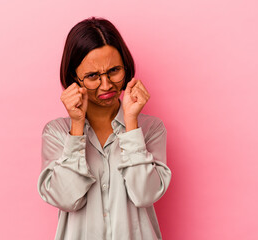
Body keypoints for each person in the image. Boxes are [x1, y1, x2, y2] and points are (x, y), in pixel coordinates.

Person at [37, 17, 172, 240]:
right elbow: (66, 198)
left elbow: (144, 195)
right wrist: (77, 126)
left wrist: (131, 125)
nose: (107, 85)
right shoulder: (57, 133)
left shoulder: (151, 129)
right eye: (92, 76)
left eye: (114, 70)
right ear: (74, 77)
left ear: (126, 67)